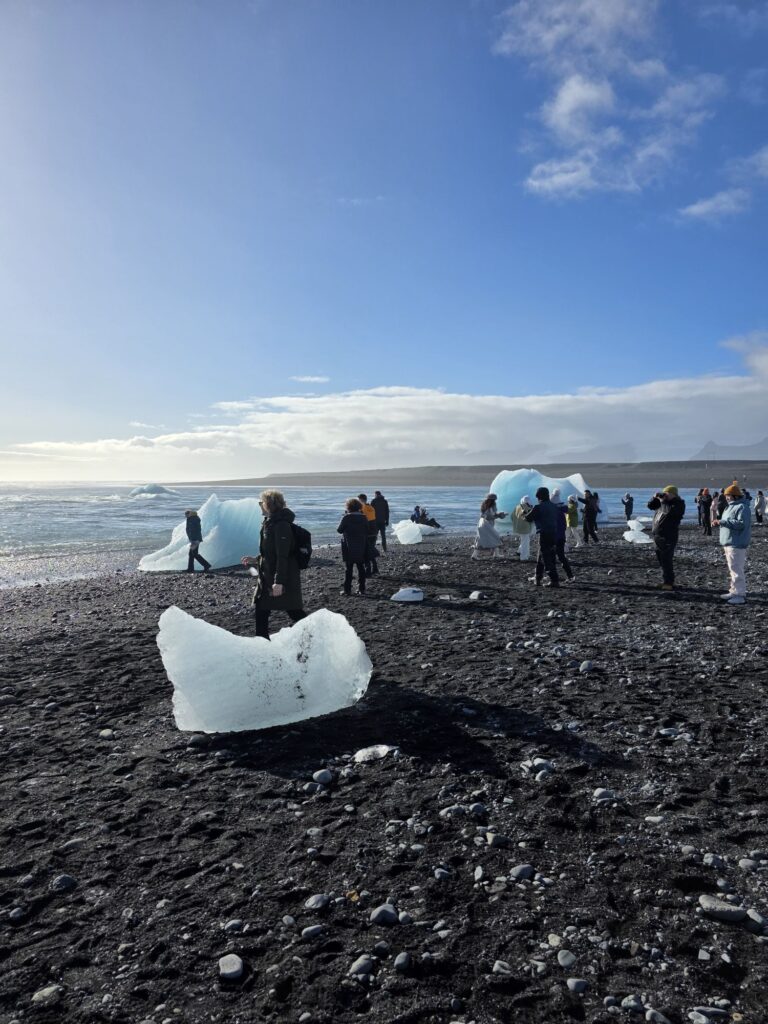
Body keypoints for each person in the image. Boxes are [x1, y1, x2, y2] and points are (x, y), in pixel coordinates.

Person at [241, 489, 306, 639]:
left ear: (268, 504)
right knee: (262, 609)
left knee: (294, 611)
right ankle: (262, 643)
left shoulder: (281, 526)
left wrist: (279, 582)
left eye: (261, 502)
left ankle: (317, 634)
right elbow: (270, 553)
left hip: (280, 577)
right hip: (268, 575)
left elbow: (283, 556)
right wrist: (256, 559)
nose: (260, 505)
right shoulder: (269, 523)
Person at [713, 483, 751, 605]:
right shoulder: (729, 507)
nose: (726, 497)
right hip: (729, 542)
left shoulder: (742, 507)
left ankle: (740, 595)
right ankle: (734, 591)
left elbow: (741, 524)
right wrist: (720, 522)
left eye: (728, 495)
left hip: (736, 543)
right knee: (732, 569)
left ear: (735, 495)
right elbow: (729, 522)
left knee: (736, 569)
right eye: (726, 495)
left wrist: (723, 522)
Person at [647, 485, 686, 592]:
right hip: (657, 536)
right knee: (661, 559)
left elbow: (669, 512)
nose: (665, 495)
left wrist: (663, 501)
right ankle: (666, 581)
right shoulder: (663, 502)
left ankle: (669, 582)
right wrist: (654, 498)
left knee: (666, 559)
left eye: (667, 493)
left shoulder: (678, 504)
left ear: (673, 494)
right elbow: (650, 506)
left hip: (668, 536)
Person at [523, 487, 560, 587]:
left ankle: (554, 580)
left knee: (546, 557)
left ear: (539, 496)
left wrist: (525, 511)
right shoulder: (554, 506)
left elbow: (528, 518)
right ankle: (538, 578)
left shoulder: (538, 507)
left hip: (544, 534)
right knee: (545, 556)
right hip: (554, 533)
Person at [337, 498, 368, 595]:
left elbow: (339, 530)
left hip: (348, 545)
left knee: (349, 568)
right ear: (359, 507)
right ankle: (362, 589)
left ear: (348, 507)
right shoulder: (364, 517)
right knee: (361, 567)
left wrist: (343, 518)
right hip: (361, 544)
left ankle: (347, 590)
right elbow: (367, 529)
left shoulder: (347, 517)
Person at [472, 493, 506, 559]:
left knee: (482, 539)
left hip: (482, 523)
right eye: (494, 500)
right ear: (493, 500)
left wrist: (498, 515)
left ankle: (496, 554)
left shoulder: (484, 505)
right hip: (487, 525)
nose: (495, 501)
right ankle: (475, 555)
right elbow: (490, 516)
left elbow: (489, 515)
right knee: (495, 537)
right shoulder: (490, 507)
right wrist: (499, 515)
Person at [551, 489, 574, 582]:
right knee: (561, 557)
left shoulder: (552, 511)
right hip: (561, 536)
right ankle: (570, 576)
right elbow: (564, 525)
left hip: (553, 537)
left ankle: (554, 577)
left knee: (551, 557)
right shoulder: (561, 510)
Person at [358, 494, 379, 577]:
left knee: (366, 552)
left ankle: (368, 571)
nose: (358, 501)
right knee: (371, 550)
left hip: (367, 533)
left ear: (361, 500)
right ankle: (375, 568)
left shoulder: (362, 508)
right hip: (374, 532)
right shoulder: (371, 507)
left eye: (359, 500)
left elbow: (360, 519)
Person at [512, 494, 535, 560]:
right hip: (525, 528)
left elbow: (512, 517)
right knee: (525, 542)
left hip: (518, 527)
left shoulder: (517, 507)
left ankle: (520, 552)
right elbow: (531, 519)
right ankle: (523, 557)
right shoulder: (528, 508)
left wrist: (516, 523)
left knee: (525, 540)